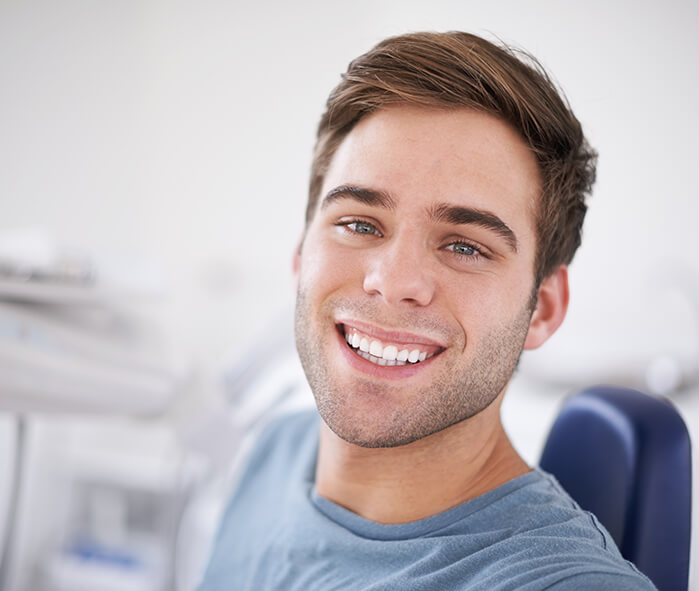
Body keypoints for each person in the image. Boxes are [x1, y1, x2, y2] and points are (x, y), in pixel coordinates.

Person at [197, 32, 657, 590]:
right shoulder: (278, 449)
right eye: (359, 224)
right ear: (301, 254)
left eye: (464, 246)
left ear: (543, 309)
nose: (392, 282)